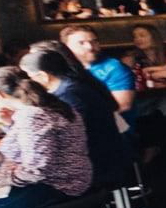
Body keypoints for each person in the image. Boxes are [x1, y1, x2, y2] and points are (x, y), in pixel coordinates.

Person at [0, 68, 91, 208]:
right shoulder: (51, 106)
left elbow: (37, 170)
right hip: (70, 181)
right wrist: (11, 123)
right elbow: (32, 148)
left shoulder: (32, 115)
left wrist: (1, 180)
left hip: (57, 187)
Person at [20, 46, 132, 192]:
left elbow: (74, 132)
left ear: (43, 76)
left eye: (30, 76)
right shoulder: (72, 86)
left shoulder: (68, 94)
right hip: (107, 153)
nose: (28, 82)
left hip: (99, 160)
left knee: (36, 178)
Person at [57, 26, 136, 115]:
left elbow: (123, 106)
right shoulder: (61, 68)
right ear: (66, 48)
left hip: (113, 125)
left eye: (94, 42)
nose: (90, 47)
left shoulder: (114, 68)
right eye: (81, 43)